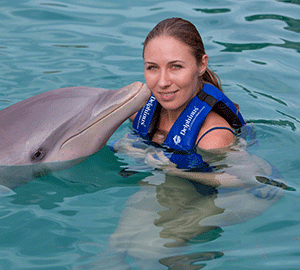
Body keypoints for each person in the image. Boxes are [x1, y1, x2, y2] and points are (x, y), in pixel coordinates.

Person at [130, 18, 246, 170]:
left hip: (202, 193)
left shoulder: (213, 138)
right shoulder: (139, 111)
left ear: (201, 65)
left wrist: (171, 169)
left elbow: (245, 181)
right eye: (152, 67)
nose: (163, 82)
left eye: (176, 66)